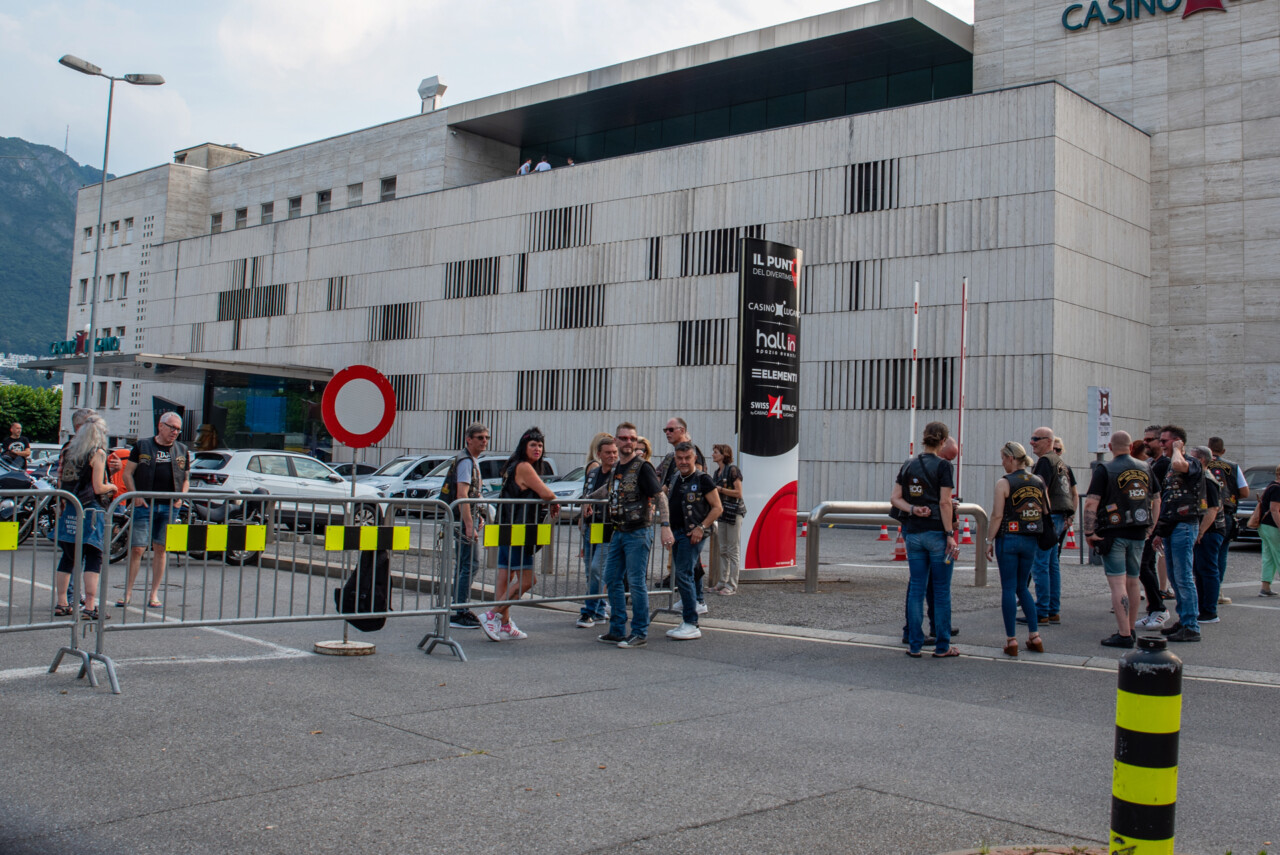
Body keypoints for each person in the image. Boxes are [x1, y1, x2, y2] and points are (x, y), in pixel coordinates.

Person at [589, 422, 672, 648]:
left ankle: (639, 632)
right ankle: (617, 629)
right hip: (619, 531)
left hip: (638, 532)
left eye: (632, 439)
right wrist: (586, 501)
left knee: (635, 583)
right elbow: (607, 490)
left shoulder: (642, 467)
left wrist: (665, 525)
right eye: (624, 438)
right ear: (616, 441)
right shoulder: (617, 467)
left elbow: (660, 496)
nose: (628, 443)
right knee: (612, 578)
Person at [478, 427, 559, 641]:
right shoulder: (524, 467)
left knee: (506, 576)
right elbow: (547, 493)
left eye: (540, 445)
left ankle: (504, 624)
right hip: (519, 531)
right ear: (524, 447)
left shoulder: (513, 466)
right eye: (533, 445)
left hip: (507, 528)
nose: (537, 449)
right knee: (527, 579)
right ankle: (492, 615)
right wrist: (554, 500)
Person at [889, 421, 959, 658]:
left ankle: (915, 644)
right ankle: (942, 646)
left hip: (914, 533)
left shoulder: (909, 464)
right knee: (940, 591)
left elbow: (895, 498)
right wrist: (950, 534)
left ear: (923, 438)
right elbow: (945, 502)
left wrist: (912, 509)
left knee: (917, 588)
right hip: (937, 533)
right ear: (942, 442)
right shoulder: (944, 467)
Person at [1083, 431, 1158, 648]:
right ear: (1130, 446)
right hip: (1138, 530)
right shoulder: (1146, 467)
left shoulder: (1104, 469)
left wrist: (1089, 532)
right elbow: (1156, 499)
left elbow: (1091, 503)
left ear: (1110, 446)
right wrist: (1151, 526)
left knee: (1117, 583)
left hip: (1113, 531)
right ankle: (1131, 628)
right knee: (1133, 581)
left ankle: (1124, 634)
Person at [118, 413, 190, 609]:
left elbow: (185, 479)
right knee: (137, 548)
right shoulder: (142, 446)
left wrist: (181, 498)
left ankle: (154, 593)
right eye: (172, 427)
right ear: (161, 426)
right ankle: (128, 592)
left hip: (169, 506)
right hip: (145, 505)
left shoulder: (182, 450)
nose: (175, 432)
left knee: (161, 549)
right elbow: (127, 474)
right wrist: (136, 495)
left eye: (178, 429)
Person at [986, 441, 1047, 657]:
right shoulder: (1038, 481)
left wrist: (988, 540)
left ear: (1011, 458)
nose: (1002, 463)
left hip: (1008, 538)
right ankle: (1034, 636)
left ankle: (1011, 640)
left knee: (1008, 588)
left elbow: (997, 515)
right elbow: (1045, 510)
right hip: (1030, 539)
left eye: (1003, 459)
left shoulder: (1004, 483)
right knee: (1023, 587)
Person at [53, 412, 115, 621]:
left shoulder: (69, 450)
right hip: (91, 509)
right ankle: (90, 605)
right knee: (93, 557)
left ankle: (62, 603)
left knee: (69, 557)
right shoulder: (96, 453)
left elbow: (61, 482)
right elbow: (99, 486)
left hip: (70, 507)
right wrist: (112, 486)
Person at [664, 443, 722, 640]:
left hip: (692, 534)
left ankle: (691, 622)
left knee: (683, 574)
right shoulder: (675, 478)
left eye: (687, 458)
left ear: (694, 458)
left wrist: (701, 527)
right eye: (679, 458)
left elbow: (717, 508)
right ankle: (688, 618)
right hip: (677, 533)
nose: (683, 462)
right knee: (682, 574)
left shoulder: (703, 479)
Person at [1150, 425, 1203, 642]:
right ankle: (1183, 620)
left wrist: (1178, 450)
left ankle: (1191, 625)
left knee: (1183, 577)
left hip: (1185, 524)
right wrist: (1159, 531)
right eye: (1160, 441)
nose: (1160, 445)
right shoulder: (1171, 467)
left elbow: (1181, 464)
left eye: (1165, 441)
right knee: (1173, 576)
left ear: (1178, 441)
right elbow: (1168, 501)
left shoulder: (1190, 462)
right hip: (1172, 525)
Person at [656, 417, 708, 613]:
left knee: (690, 563)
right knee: (683, 562)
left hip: (691, 521)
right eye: (665, 429)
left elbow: (699, 482)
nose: (667, 432)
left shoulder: (692, 452)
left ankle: (697, 601)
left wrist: (699, 525)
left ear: (682, 429)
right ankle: (690, 599)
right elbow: (668, 483)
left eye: (671, 429)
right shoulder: (673, 456)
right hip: (677, 518)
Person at [442, 423, 489, 629]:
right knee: (470, 564)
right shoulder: (466, 462)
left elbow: (471, 495)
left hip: (464, 517)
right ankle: (460, 610)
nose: (484, 441)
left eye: (487, 437)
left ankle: (458, 608)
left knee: (464, 564)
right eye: (480, 437)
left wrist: (477, 515)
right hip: (462, 519)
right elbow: (462, 495)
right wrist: (469, 524)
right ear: (468, 439)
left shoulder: (471, 460)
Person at [1028, 427, 1073, 624]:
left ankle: (1042, 611)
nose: (1032, 442)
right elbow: (1070, 490)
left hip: (1049, 516)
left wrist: (1038, 516)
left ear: (1048, 441)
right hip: (1059, 515)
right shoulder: (1060, 462)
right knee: (1052, 564)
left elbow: (1040, 490)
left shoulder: (1045, 461)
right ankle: (1053, 609)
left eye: (1036, 439)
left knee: (1040, 564)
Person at [576, 434, 617, 628]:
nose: (612, 456)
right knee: (590, 571)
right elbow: (586, 492)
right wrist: (584, 508)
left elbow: (605, 491)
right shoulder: (593, 472)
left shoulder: (618, 473)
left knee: (596, 569)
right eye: (608, 452)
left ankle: (588, 612)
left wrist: (589, 499)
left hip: (608, 527)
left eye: (614, 452)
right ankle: (600, 610)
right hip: (591, 526)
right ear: (599, 454)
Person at [1206, 436, 1249, 605]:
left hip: (1204, 512)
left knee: (1203, 554)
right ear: (1223, 451)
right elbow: (1245, 492)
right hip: (1226, 513)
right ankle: (1217, 590)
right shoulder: (1233, 467)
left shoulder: (1201, 464)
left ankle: (1203, 588)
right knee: (1221, 553)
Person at [1187, 446, 1225, 624]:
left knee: (1208, 570)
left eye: (1192, 458)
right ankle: (1203, 608)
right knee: (1200, 571)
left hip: (1210, 531)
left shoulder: (1208, 479)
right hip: (1205, 531)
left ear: (1201, 460)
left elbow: (1213, 509)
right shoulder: (1201, 477)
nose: (1188, 460)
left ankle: (1210, 611)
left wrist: (1200, 531)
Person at [711, 444, 743, 595]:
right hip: (722, 512)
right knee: (723, 548)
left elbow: (739, 493)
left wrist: (721, 490)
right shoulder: (717, 473)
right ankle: (722, 582)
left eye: (716, 452)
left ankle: (732, 584)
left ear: (724, 455)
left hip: (734, 512)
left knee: (733, 549)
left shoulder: (732, 470)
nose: (713, 454)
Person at [1256, 464, 1280, 597]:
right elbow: (1275, 510)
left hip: (1264, 525)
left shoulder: (1271, 485)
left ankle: (1265, 587)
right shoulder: (1278, 489)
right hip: (1272, 526)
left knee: (1269, 557)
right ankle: (1265, 588)